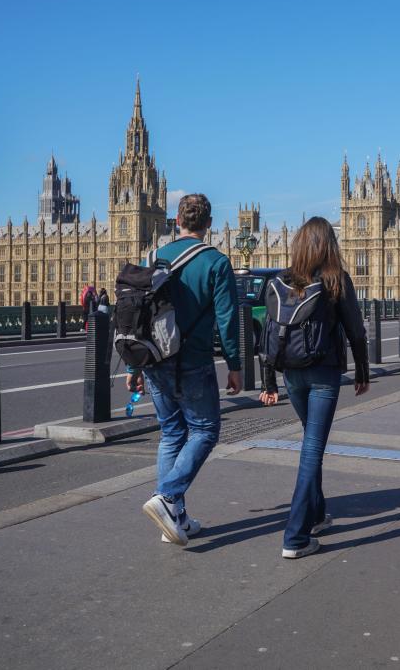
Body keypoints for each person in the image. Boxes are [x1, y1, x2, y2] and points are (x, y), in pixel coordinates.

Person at [128, 194, 242, 547]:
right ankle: (167, 496)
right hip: (192, 360)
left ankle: (173, 518)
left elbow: (137, 316)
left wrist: (135, 365)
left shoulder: (154, 257)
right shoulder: (216, 262)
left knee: (171, 433)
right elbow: (227, 319)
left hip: (155, 361)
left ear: (176, 221)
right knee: (205, 430)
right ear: (208, 224)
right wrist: (235, 366)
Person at [260, 216, 370, 559]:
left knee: (311, 438)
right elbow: (356, 330)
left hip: (291, 374)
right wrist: (363, 371)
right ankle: (295, 536)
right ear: (329, 245)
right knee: (311, 449)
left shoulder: (282, 280)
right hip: (323, 373)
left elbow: (267, 333)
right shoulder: (336, 279)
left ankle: (318, 514)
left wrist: (268, 382)